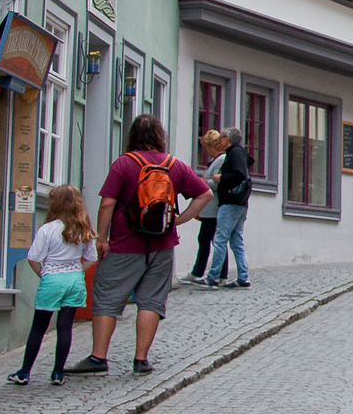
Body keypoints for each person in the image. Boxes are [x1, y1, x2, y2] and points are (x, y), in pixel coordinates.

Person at [66, 114, 211, 376]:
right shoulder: (174, 165)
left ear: (132, 136)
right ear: (160, 137)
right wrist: (178, 220)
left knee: (107, 297)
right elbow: (205, 193)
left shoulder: (124, 164)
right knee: (152, 302)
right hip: (162, 245)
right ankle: (141, 360)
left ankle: (98, 357)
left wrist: (102, 238)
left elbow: (108, 203)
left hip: (124, 244)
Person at [8, 185, 97, 386]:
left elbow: (33, 258)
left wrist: (45, 274)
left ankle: (24, 372)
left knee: (39, 327)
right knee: (65, 327)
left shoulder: (47, 229)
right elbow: (92, 257)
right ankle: (58, 373)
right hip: (74, 279)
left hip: (52, 279)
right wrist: (76, 269)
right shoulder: (83, 227)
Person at [206, 127, 252, 288]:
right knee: (236, 240)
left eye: (223, 136)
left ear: (228, 139)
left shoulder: (234, 153)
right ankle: (243, 277)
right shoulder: (238, 152)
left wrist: (221, 178)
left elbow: (240, 175)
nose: (221, 139)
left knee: (220, 239)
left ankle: (213, 276)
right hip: (240, 203)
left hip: (231, 203)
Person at [185, 130, 228, 285]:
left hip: (214, 208)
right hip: (209, 209)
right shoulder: (215, 160)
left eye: (206, 147)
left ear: (212, 146)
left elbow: (218, 184)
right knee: (204, 239)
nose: (205, 150)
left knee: (217, 241)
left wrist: (203, 182)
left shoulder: (221, 159)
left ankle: (220, 274)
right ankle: (198, 272)